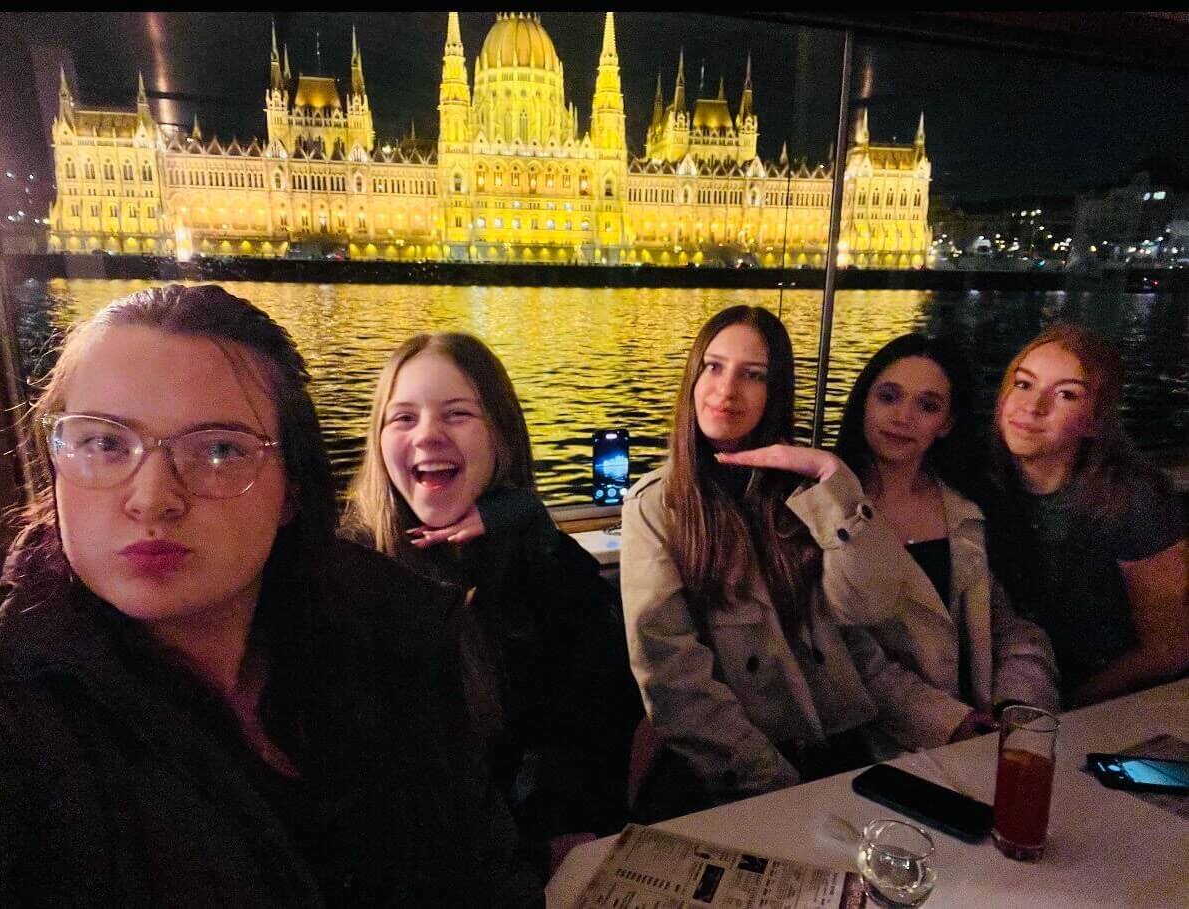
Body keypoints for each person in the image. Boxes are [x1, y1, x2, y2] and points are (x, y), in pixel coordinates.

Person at [0, 285, 540, 907]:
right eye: (104, 443)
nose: (152, 498)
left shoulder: (394, 648)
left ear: (293, 490)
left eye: (219, 449)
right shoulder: (13, 728)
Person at [342, 332, 641, 878]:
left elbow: (594, 711)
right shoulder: (346, 580)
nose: (428, 433)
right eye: (402, 418)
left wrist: (530, 529)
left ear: (501, 433)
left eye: (456, 414)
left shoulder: (542, 562)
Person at [620, 305, 918, 815]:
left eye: (752, 375)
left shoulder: (804, 491)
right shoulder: (658, 506)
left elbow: (867, 617)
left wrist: (831, 474)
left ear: (774, 391)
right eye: (713, 367)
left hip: (846, 748)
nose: (726, 390)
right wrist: (780, 785)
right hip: (748, 772)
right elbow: (675, 681)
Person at [834, 334, 1058, 754]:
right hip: (875, 749)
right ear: (864, 402)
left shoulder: (973, 508)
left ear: (948, 423)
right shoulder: (829, 513)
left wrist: (1017, 710)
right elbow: (847, 651)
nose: (903, 417)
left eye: (928, 405)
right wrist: (948, 723)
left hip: (990, 736)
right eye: (888, 397)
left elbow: (1014, 626)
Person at [989, 323, 1187, 708]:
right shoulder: (986, 484)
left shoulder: (1133, 499)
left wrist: (1069, 705)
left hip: (1119, 703)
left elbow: (1170, 649)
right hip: (1022, 682)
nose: (1033, 406)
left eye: (1065, 395)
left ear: (1095, 420)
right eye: (1024, 384)